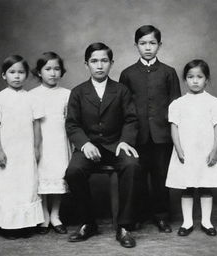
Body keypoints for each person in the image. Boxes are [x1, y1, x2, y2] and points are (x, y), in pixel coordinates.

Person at [65, 42, 140, 248]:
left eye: (104, 61)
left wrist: (124, 141)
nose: (99, 66)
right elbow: (72, 123)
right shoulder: (78, 92)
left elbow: (131, 120)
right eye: (94, 61)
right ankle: (88, 223)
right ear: (86, 64)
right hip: (89, 146)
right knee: (73, 171)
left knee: (132, 165)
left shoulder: (121, 90)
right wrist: (84, 144)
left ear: (111, 63)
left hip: (115, 145)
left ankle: (124, 226)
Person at [119, 25, 181, 232]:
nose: (148, 48)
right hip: (137, 136)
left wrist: (175, 135)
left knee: (161, 177)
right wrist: (127, 136)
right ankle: (138, 215)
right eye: (143, 43)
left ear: (159, 45)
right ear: (136, 45)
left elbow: (175, 106)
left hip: (162, 135)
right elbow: (123, 107)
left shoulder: (168, 73)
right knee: (137, 177)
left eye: (152, 43)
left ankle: (162, 216)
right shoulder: (127, 74)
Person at [166, 59, 217, 236]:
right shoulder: (178, 104)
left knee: (205, 185)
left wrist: (214, 150)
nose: (195, 81)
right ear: (185, 79)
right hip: (186, 151)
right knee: (187, 186)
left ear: (207, 79)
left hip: (205, 151)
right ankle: (187, 222)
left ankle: (206, 221)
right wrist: (179, 148)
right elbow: (174, 127)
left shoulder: (214, 102)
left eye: (199, 77)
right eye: (190, 77)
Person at [0, 55, 44, 239]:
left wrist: (36, 147)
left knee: (25, 185)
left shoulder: (31, 98)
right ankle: (7, 225)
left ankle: (24, 224)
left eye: (21, 72)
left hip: (25, 152)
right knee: (7, 186)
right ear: (4, 75)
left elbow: (36, 125)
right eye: (12, 72)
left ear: (26, 76)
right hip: (7, 150)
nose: (16, 76)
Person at [31, 52, 72, 235]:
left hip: (60, 140)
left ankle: (55, 215)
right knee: (41, 175)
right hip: (40, 140)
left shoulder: (67, 94)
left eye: (56, 69)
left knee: (58, 174)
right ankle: (44, 216)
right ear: (39, 72)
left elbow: (71, 120)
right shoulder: (32, 95)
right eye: (47, 69)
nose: (52, 73)